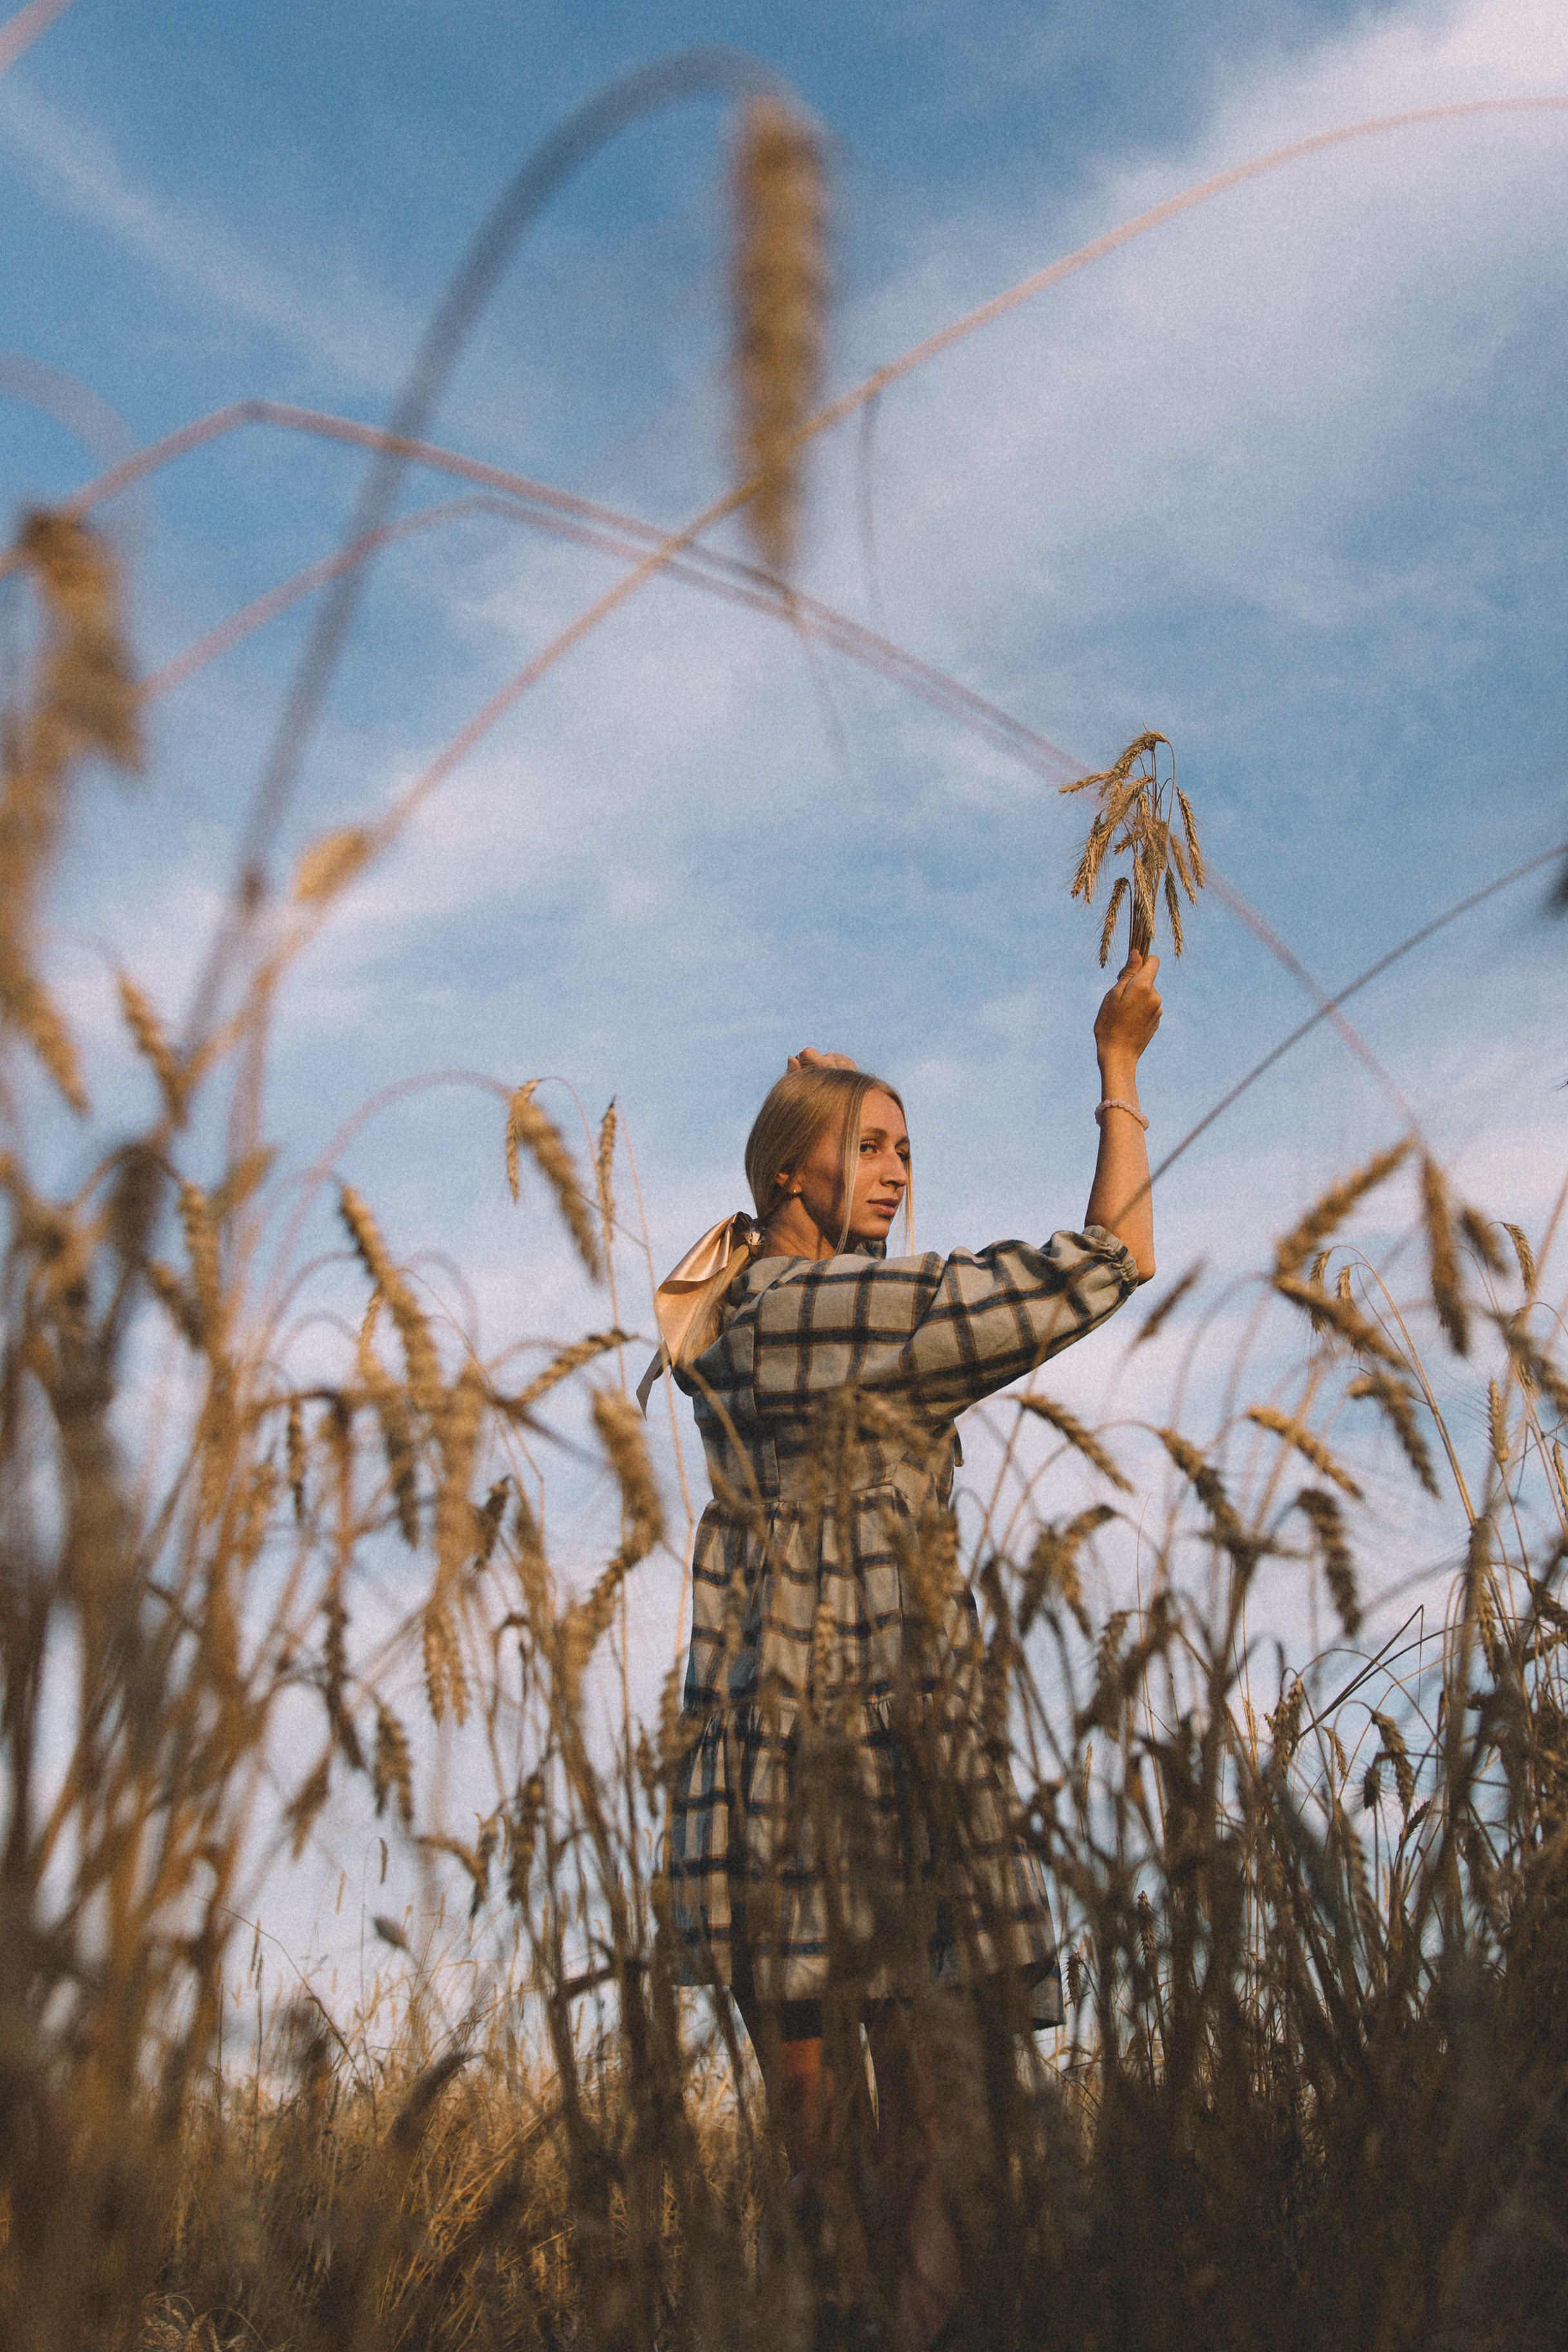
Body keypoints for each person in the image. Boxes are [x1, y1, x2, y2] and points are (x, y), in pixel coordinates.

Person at [644, 948, 1162, 2349]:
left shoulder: (747, 1312)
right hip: (871, 1739)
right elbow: (1108, 1262)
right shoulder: (821, 1314)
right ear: (788, 1173)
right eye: (868, 1148)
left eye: (905, 1150)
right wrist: (1117, 1069)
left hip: (776, 1751)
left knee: (838, 2150)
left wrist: (827, 1106)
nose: (895, 1172)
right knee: (913, 2139)